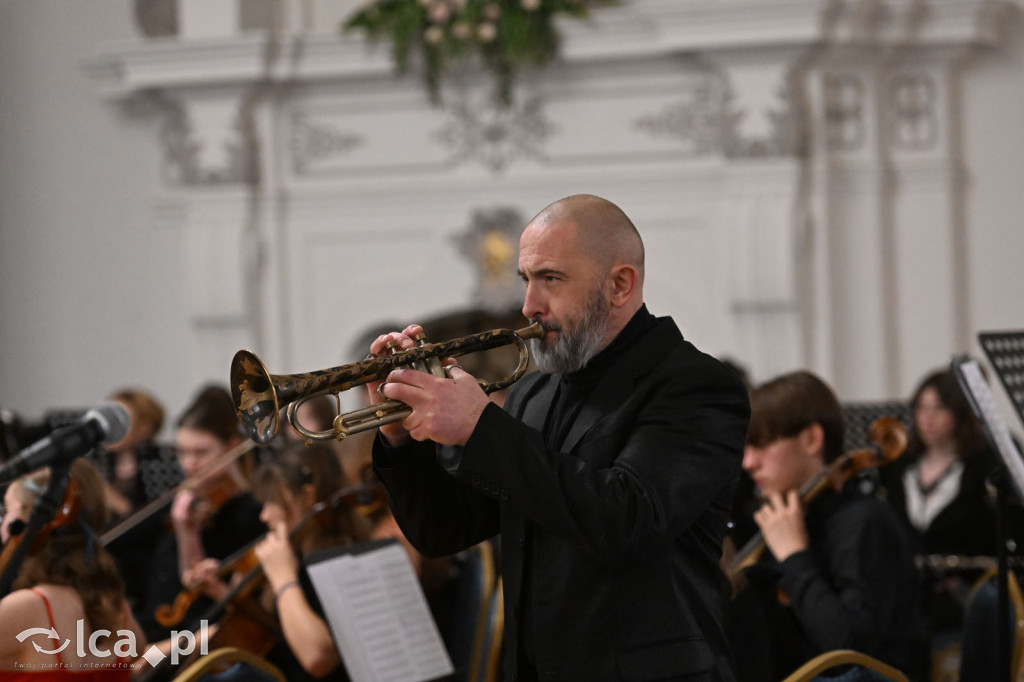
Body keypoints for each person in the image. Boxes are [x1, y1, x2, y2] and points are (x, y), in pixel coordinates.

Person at [367, 194, 750, 681]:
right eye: (526, 280)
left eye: (550, 279)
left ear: (619, 284)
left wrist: (481, 426)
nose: (529, 305)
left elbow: (628, 521)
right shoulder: (534, 393)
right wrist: (401, 437)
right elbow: (445, 531)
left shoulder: (694, 386)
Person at [734, 370, 926, 681]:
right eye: (746, 447)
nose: (748, 462)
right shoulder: (792, 515)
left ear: (812, 439)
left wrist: (794, 557)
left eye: (763, 445)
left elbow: (849, 656)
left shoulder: (865, 521)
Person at [185, 441, 370, 680]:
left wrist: (283, 576)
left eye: (272, 502)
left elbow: (317, 658)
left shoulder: (339, 560)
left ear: (307, 496)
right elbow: (278, 632)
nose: (264, 515)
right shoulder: (299, 554)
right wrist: (224, 594)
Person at [879, 368, 999, 652]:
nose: (927, 419)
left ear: (961, 413)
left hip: (962, 596)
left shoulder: (984, 469)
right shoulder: (896, 468)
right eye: (921, 408)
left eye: (939, 409)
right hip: (908, 595)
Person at [136, 385, 266, 644]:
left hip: (208, 639)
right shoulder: (184, 505)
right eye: (182, 452)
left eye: (201, 452)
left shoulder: (254, 513)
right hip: (166, 632)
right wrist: (185, 530)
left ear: (232, 447)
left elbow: (198, 607)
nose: (188, 463)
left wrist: (188, 533)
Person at [0, 459, 148, 678]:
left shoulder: (25, 607)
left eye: (7, 510)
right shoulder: (114, 604)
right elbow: (137, 650)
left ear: (25, 520)